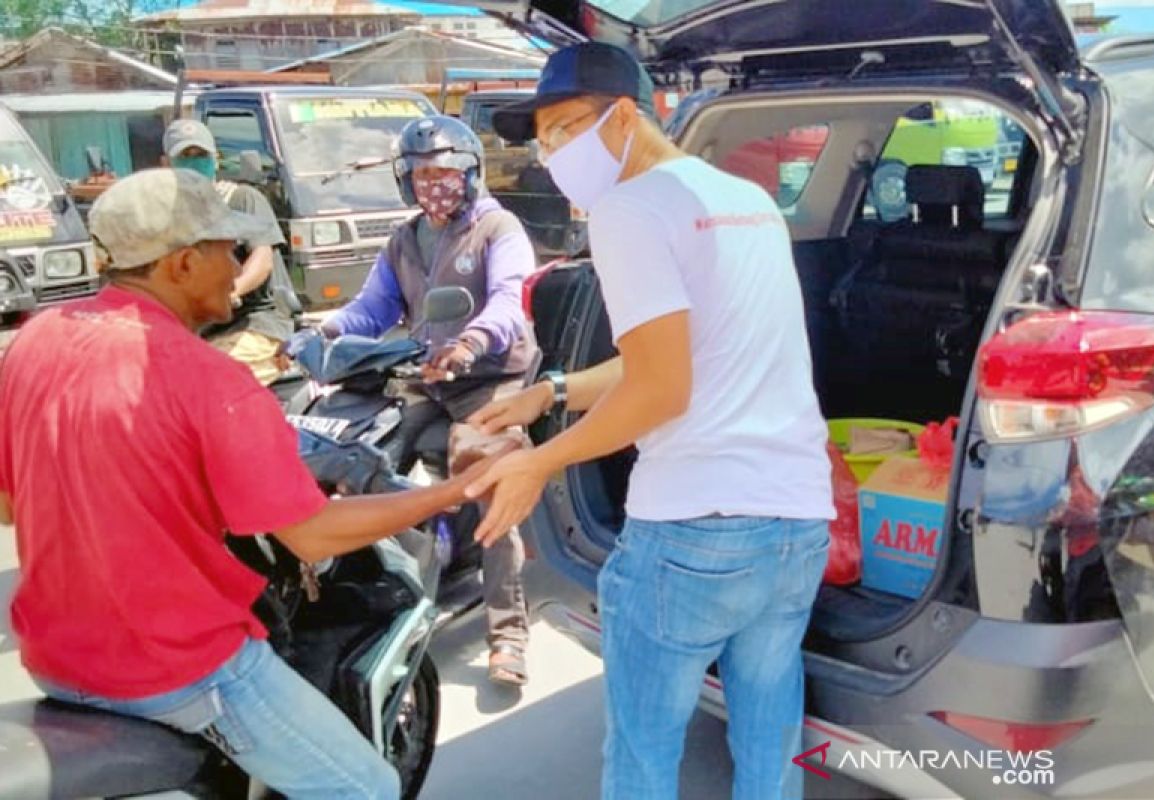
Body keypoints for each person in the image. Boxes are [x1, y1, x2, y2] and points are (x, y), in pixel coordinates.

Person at [0, 168, 507, 798]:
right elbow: (313, 538)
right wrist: (453, 492)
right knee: (368, 788)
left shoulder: (33, 343)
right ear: (183, 263)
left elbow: (9, 505)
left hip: (56, 657)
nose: (240, 265)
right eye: (226, 251)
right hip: (177, 667)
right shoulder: (208, 379)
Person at [467, 43, 835, 800]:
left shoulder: (629, 209)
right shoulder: (748, 201)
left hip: (694, 532)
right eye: (543, 140)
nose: (553, 153)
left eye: (565, 128)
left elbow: (661, 391)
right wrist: (552, 391)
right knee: (770, 746)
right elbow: (678, 359)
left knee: (642, 759)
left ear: (626, 115)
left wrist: (538, 461)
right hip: (796, 523)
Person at [315, 115, 538, 686]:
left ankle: (507, 631)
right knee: (352, 457)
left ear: (470, 172)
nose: (432, 184)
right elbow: (372, 309)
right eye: (419, 175)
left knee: (491, 486)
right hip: (426, 376)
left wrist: (471, 341)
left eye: (443, 172)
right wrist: (324, 332)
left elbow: (510, 300)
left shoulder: (498, 227)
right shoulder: (405, 238)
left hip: (489, 380)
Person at [163, 118, 295, 385]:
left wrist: (233, 289)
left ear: (216, 159)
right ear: (166, 164)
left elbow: (262, 259)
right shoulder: (169, 216)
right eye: (185, 156)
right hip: (205, 330)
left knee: (210, 383)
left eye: (200, 155)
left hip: (256, 323)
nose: (194, 162)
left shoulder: (240, 199)